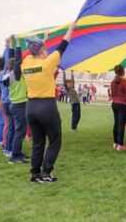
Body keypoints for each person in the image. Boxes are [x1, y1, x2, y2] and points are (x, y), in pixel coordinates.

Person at [22, 22, 76, 183]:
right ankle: (46, 172)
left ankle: (35, 174)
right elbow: (63, 45)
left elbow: (34, 50)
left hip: (31, 107)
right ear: (41, 51)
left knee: (38, 143)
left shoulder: (26, 63)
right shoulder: (47, 63)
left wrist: (43, 40)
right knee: (55, 140)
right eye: (45, 49)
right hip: (46, 106)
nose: (47, 51)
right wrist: (71, 29)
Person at [7, 36, 29, 164]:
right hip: (19, 105)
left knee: (19, 130)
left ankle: (18, 153)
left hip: (16, 104)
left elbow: (10, 60)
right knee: (20, 131)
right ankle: (15, 156)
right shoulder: (16, 74)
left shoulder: (9, 73)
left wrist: (11, 44)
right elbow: (17, 60)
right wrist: (19, 44)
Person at [0, 52, 14, 158]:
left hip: (4, 101)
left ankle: (5, 143)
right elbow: (7, 59)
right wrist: (8, 47)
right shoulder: (4, 74)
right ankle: (5, 144)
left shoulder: (0, 75)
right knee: (8, 125)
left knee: (8, 124)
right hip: (6, 101)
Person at [110, 65, 126, 151]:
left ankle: (115, 142)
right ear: (122, 71)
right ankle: (120, 144)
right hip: (122, 105)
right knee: (121, 125)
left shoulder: (112, 82)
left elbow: (112, 94)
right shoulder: (125, 82)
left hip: (114, 104)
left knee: (116, 123)